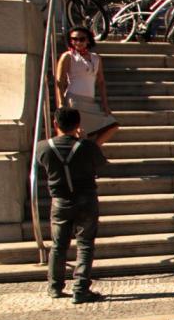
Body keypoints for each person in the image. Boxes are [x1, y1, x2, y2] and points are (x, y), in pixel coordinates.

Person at [36, 106, 111, 303]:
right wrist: (84, 140)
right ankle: (80, 289)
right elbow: (101, 163)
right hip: (86, 199)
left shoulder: (43, 147)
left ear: (55, 124)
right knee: (85, 244)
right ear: (78, 125)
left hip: (60, 201)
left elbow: (42, 164)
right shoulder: (87, 147)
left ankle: (55, 286)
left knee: (58, 245)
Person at [53, 27, 117, 144]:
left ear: (88, 40)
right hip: (74, 100)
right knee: (75, 132)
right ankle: (77, 154)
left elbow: (101, 82)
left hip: (90, 101)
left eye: (81, 39)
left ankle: (91, 150)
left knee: (112, 125)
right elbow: (59, 81)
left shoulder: (96, 58)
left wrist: (105, 104)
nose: (78, 42)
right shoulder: (68, 56)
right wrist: (61, 103)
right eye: (74, 39)